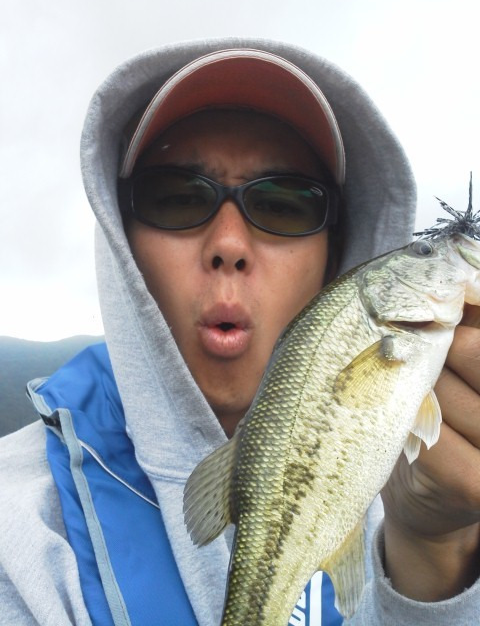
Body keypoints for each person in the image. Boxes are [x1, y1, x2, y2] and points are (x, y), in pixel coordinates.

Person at [1, 38, 479, 626]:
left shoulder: (427, 487)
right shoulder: (17, 530)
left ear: (335, 259)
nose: (228, 243)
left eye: (284, 204)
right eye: (176, 197)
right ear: (123, 246)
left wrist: (432, 555)